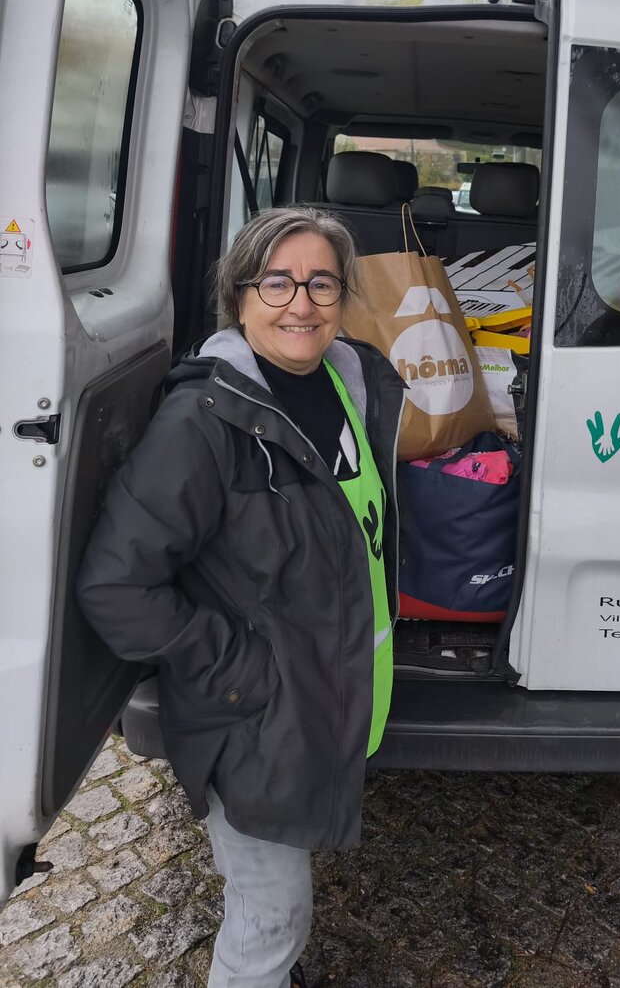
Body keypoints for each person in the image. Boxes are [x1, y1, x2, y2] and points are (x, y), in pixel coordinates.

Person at [77, 207, 405, 988]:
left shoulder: (344, 379)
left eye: (322, 281)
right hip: (256, 712)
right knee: (270, 912)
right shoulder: (203, 420)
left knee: (278, 899)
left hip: (320, 698)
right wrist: (238, 672)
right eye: (279, 281)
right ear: (241, 293)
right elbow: (116, 585)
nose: (302, 302)